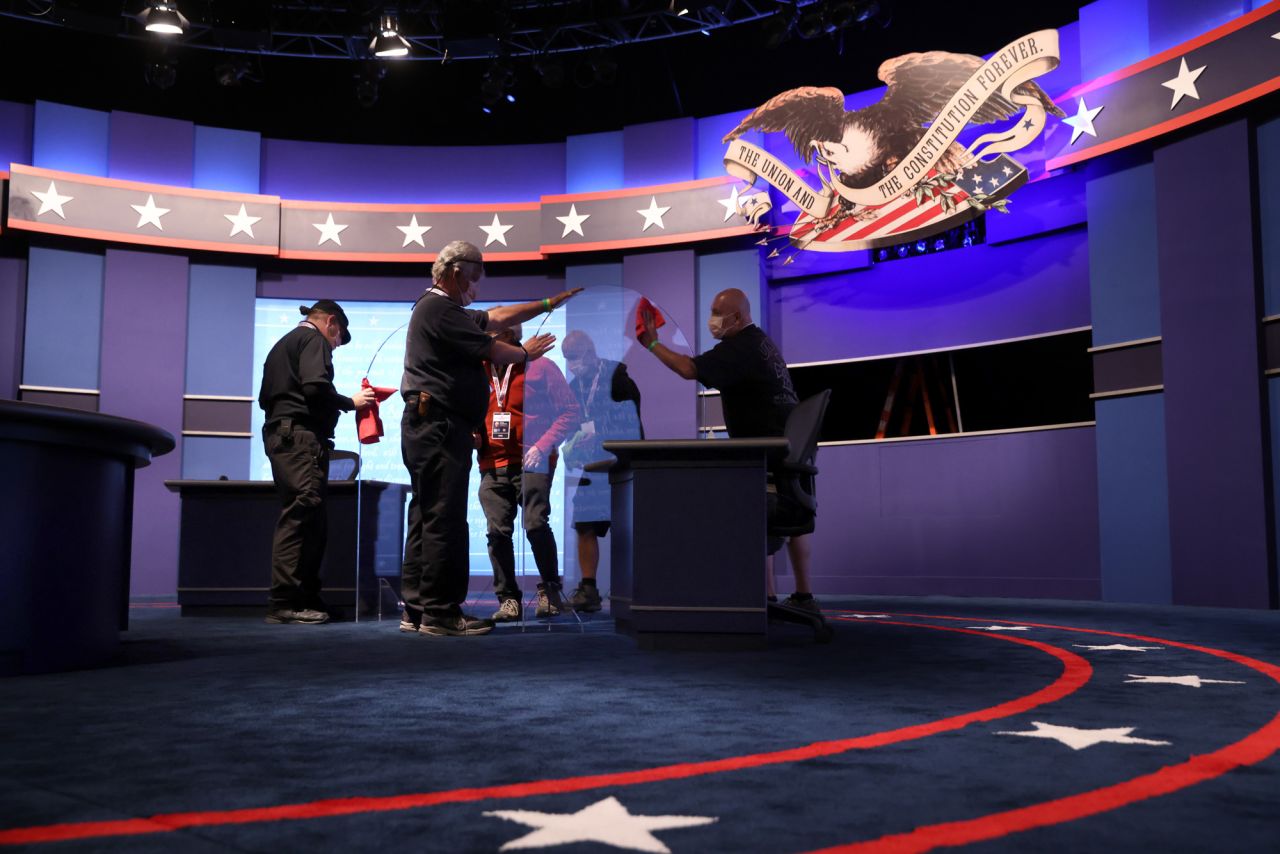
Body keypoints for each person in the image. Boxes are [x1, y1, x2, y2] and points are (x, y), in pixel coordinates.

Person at [399, 240, 581, 637]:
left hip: (433, 426)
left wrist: (548, 303)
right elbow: (496, 347)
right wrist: (526, 354)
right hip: (440, 426)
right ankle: (441, 613)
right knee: (443, 520)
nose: (477, 286)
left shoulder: (439, 308)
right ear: (456, 271)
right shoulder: (439, 308)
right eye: (476, 277)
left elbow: (497, 317)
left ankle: (416, 608)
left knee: (427, 515)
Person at [638, 288, 819, 612]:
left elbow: (688, 369)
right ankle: (792, 597)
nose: (713, 320)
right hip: (786, 461)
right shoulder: (761, 343)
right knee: (787, 517)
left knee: (725, 501)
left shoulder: (741, 348)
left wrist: (652, 343)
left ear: (737, 317)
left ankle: (751, 600)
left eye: (718, 313)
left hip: (766, 462)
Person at [258, 300, 377, 624]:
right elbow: (314, 387)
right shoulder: (313, 340)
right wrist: (349, 402)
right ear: (331, 322)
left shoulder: (283, 345)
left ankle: (306, 599)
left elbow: (264, 399)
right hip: (300, 439)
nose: (334, 347)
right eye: (337, 340)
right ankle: (284, 603)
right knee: (301, 518)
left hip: (282, 437)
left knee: (307, 519)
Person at [477, 321, 581, 622]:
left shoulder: (541, 367)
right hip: (492, 462)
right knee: (497, 532)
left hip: (532, 459)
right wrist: (476, 435)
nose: (487, 343)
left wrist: (542, 445)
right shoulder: (479, 368)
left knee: (535, 524)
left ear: (509, 338)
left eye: (492, 338)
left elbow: (570, 411)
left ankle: (550, 592)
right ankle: (508, 599)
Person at [559, 330, 643, 613]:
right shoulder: (574, 385)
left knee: (627, 525)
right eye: (567, 358)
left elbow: (632, 416)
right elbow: (573, 422)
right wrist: (572, 445)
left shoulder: (616, 376)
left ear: (590, 352)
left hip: (621, 462)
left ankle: (635, 587)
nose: (572, 363)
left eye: (574, 356)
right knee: (583, 523)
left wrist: (603, 433)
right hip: (593, 465)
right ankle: (588, 589)